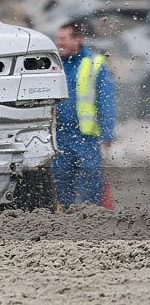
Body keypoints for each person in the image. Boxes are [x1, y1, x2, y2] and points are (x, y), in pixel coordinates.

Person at [53, 20, 116, 209]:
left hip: (85, 136)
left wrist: (107, 133)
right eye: (58, 39)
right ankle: (64, 218)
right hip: (59, 136)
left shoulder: (95, 64)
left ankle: (92, 216)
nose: (59, 43)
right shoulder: (53, 64)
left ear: (77, 39)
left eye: (63, 39)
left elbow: (106, 100)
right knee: (60, 183)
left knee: (91, 183)